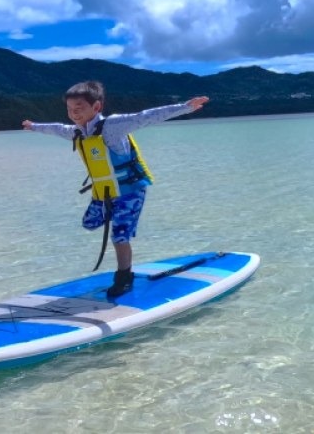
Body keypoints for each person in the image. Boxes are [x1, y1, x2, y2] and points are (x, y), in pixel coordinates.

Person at [22, 81, 209, 298]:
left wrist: (186, 106)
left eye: (79, 109)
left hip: (130, 190)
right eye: (70, 109)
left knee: (119, 236)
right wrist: (34, 126)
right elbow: (56, 128)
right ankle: (119, 223)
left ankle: (124, 277)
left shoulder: (114, 125)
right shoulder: (77, 133)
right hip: (105, 191)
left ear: (97, 107)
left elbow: (146, 116)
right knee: (89, 223)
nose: (73, 114)